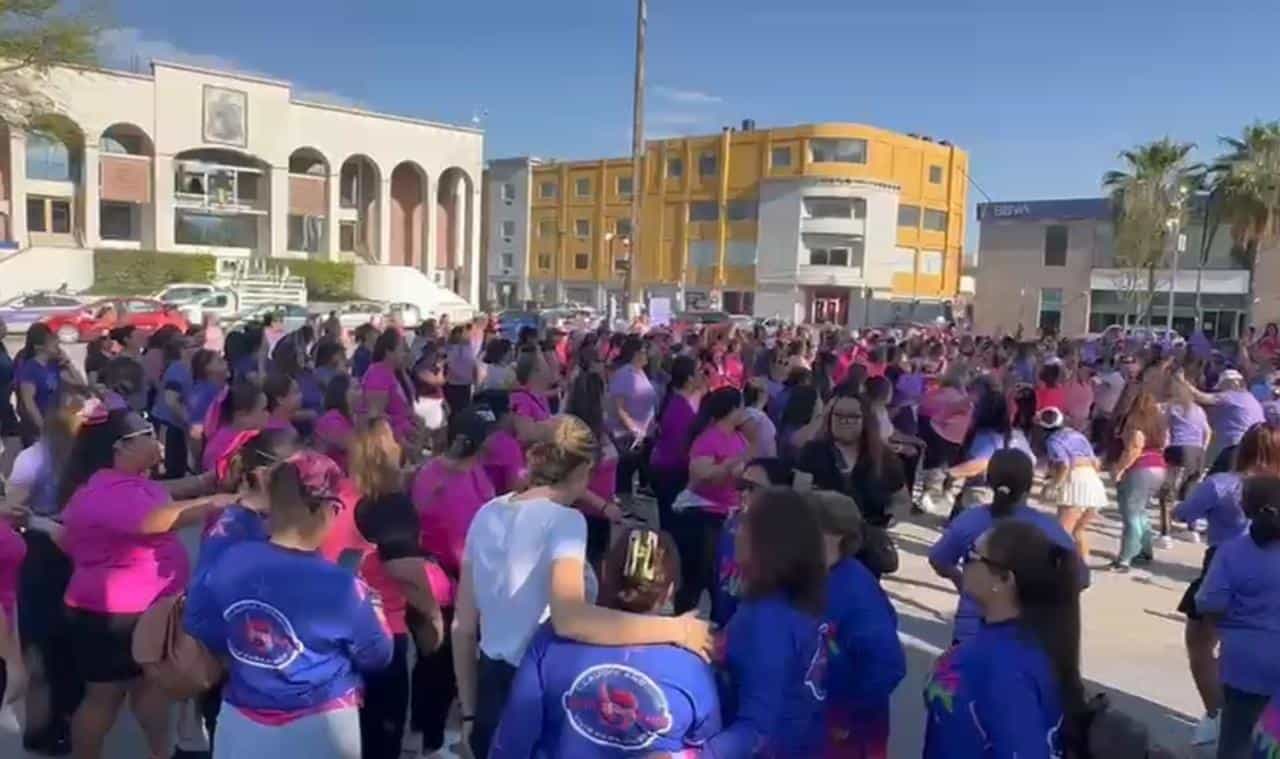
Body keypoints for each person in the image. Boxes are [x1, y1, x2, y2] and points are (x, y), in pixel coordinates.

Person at [451, 416, 713, 759]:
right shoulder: (566, 521)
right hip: (537, 688)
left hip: (488, 680)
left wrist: (469, 713)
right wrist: (675, 629)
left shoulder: (487, 512)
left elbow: (463, 626)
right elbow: (570, 618)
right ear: (584, 468)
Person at [185, 452, 393, 759]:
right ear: (328, 510)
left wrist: (247, 651)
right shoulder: (343, 586)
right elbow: (377, 655)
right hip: (322, 725)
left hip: (243, 719)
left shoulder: (229, 559)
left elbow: (199, 621)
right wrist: (377, 612)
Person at [60, 407, 229, 759]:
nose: (159, 445)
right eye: (149, 437)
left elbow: (160, 492)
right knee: (103, 698)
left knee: (149, 689)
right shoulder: (106, 492)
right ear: (121, 448)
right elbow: (160, 518)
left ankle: (160, 754)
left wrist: (206, 481)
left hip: (146, 610)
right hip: (111, 616)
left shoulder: (128, 483)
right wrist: (224, 502)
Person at [488, 527, 722, 756]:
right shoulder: (694, 665)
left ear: (603, 571)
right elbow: (708, 748)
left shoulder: (551, 641)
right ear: (671, 590)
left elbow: (512, 741)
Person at [922, 519, 1086, 758]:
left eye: (972, 555)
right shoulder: (1031, 640)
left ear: (1004, 580)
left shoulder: (1004, 666)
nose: (963, 563)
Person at [347, 419, 450, 759]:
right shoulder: (388, 505)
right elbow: (404, 569)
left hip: (338, 628)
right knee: (381, 735)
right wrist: (433, 615)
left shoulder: (345, 496)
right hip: (383, 632)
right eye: (394, 438)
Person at [1177, 423, 1280, 748]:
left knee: (1201, 645)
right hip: (1267, 584)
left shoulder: (1222, 484)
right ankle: (1264, 730)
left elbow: (1183, 512)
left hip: (1220, 569)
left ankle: (1216, 711)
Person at [705, 487, 826, 756]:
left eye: (744, 521)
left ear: (769, 541)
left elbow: (758, 726)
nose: (735, 529)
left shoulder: (766, 620)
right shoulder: (791, 600)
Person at [929, 449, 1085, 644]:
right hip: (1026, 635)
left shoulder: (970, 520)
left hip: (971, 633)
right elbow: (1080, 577)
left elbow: (938, 559)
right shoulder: (1048, 527)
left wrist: (963, 582)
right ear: (1030, 484)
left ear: (989, 481)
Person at [810, 490, 906, 759]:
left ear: (834, 534)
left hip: (846, 738)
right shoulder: (814, 575)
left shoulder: (857, 592)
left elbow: (889, 665)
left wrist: (846, 717)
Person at [1195, 475, 1280, 759]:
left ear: (1245, 508)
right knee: (1273, 741)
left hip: (1246, 662)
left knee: (1237, 738)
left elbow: (1210, 602)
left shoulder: (1233, 551)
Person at [675, 387, 748, 613]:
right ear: (732, 409)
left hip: (730, 512)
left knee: (721, 577)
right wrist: (730, 465)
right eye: (742, 406)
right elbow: (701, 474)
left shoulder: (739, 438)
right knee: (698, 574)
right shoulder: (708, 438)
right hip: (704, 515)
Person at [795, 388, 908, 529]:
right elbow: (798, 496)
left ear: (866, 420)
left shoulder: (884, 458)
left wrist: (892, 517)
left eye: (853, 416)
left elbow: (902, 500)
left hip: (869, 538)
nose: (845, 421)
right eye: (838, 415)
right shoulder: (813, 452)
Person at [712, 457, 793, 627]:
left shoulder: (788, 542)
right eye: (742, 486)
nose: (744, 493)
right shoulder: (731, 525)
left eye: (753, 488)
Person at [944, 385, 1037, 516]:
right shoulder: (1018, 435)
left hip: (985, 495)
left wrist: (951, 474)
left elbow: (983, 462)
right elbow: (1031, 460)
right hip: (1017, 495)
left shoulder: (987, 436)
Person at [1039, 407, 1108, 564]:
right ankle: (1083, 565)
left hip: (1074, 483)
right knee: (1078, 532)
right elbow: (1095, 461)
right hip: (1092, 482)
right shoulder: (1077, 434)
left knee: (1062, 533)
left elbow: (1063, 464)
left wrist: (1055, 485)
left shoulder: (1053, 440)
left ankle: (1060, 568)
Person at [1111, 390, 1169, 571]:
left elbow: (1135, 447)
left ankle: (1126, 558)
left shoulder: (1134, 423)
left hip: (1140, 468)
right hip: (1159, 466)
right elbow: (1165, 444)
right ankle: (1145, 549)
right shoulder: (1160, 425)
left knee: (1131, 514)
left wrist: (1119, 469)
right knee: (1141, 511)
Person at [648, 355, 703, 532]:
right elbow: (681, 446)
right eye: (698, 372)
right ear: (689, 379)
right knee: (674, 527)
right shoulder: (680, 409)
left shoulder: (677, 401)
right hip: (671, 472)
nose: (702, 375)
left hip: (666, 468)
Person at [1181, 369, 1266, 474]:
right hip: (1254, 447)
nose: (1221, 390)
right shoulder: (1252, 398)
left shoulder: (1231, 395)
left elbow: (1201, 397)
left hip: (1237, 446)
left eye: (1223, 386)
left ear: (1233, 382)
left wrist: (1182, 381)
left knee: (1215, 479)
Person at [606, 335, 656, 498]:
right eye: (643, 351)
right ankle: (624, 508)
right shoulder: (624, 374)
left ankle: (630, 504)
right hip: (627, 434)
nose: (647, 355)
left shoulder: (640, 372)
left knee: (634, 470)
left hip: (642, 433)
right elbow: (619, 407)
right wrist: (633, 428)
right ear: (635, 353)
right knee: (624, 476)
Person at [362, 328, 420, 447]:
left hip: (405, 438)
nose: (405, 353)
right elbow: (376, 418)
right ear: (389, 352)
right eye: (402, 349)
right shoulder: (377, 374)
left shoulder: (396, 372)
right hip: (393, 442)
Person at [201, 382, 270, 474]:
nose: (268, 414)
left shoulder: (250, 439)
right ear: (242, 415)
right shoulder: (221, 447)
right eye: (264, 409)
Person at [16, 323, 67, 445]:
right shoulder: (29, 369)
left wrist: (68, 363)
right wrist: (43, 428)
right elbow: (30, 404)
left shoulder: (54, 364)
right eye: (51, 341)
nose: (57, 344)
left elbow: (80, 384)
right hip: (37, 429)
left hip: (56, 424)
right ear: (39, 346)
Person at [314, 373, 358, 473]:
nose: (362, 392)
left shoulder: (350, 417)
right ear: (342, 393)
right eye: (356, 388)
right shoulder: (331, 420)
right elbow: (356, 448)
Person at [0, 317, 19, 479]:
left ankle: (4, 479)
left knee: (14, 442)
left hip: (4, 405)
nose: (4, 327)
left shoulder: (1, 347)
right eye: (1, 324)